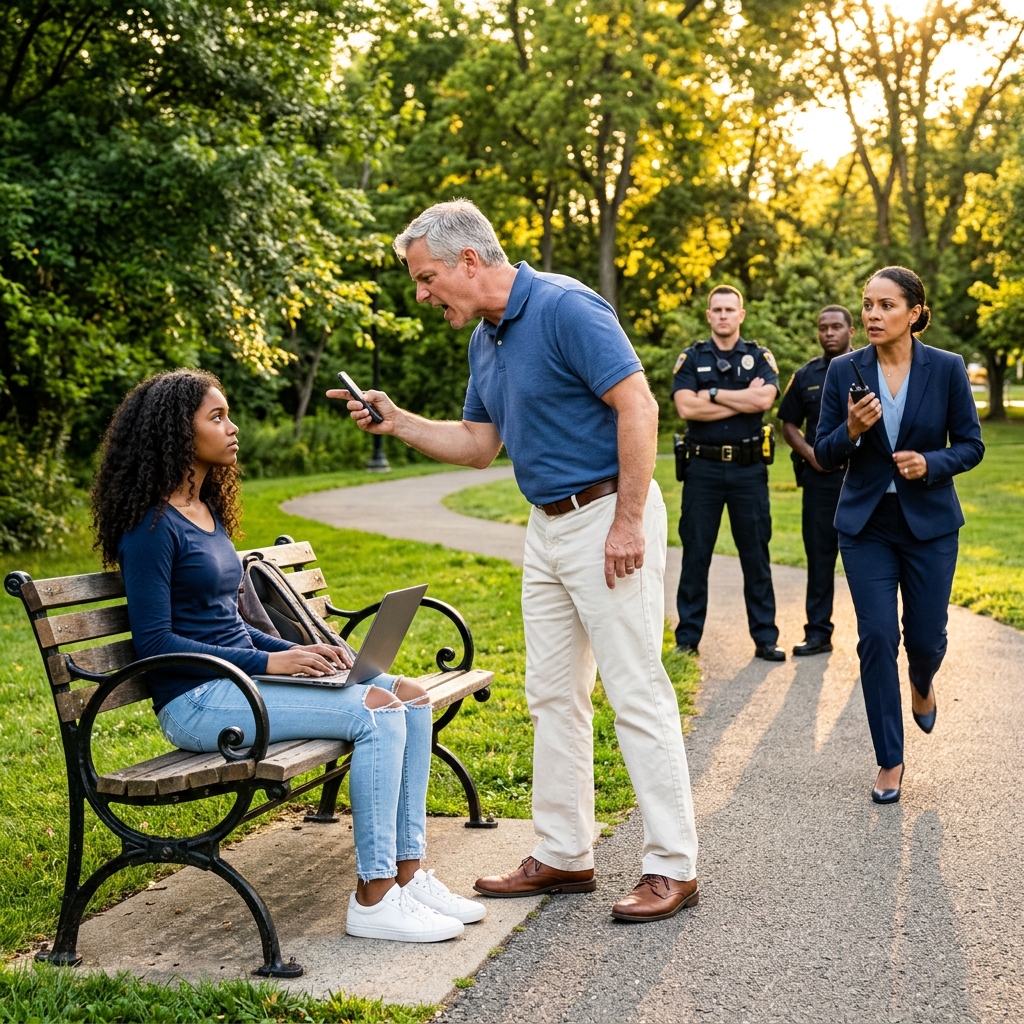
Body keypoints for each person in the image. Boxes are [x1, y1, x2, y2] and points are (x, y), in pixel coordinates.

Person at [328, 199, 699, 923]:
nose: (423, 292)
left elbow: (640, 407)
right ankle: (565, 853)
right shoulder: (485, 341)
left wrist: (627, 520)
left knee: (635, 691)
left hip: (605, 516)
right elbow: (477, 445)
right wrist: (396, 419)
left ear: (469, 260)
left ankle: (672, 865)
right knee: (553, 694)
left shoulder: (566, 308)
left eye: (427, 276)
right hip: (547, 527)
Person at [90, 369, 486, 942]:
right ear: (178, 432)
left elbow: (231, 627)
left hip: (236, 684)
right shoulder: (152, 528)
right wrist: (272, 665)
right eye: (217, 417)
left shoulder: (208, 513)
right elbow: (155, 644)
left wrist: (302, 649)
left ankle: (406, 874)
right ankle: (373, 901)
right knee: (373, 710)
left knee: (410, 695)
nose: (233, 429)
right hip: (196, 701)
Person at [814, 267, 984, 803]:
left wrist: (931, 463)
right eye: (867, 305)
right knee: (877, 637)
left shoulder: (947, 368)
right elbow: (823, 452)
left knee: (926, 638)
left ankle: (924, 680)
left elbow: (973, 445)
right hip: (866, 527)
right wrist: (854, 431)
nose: (871, 315)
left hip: (930, 526)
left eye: (885, 306)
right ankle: (890, 760)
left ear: (913, 313)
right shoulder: (844, 371)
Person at [671, 285, 786, 661]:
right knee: (695, 555)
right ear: (708, 315)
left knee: (756, 554)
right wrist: (741, 401)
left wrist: (714, 395)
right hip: (702, 469)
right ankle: (687, 640)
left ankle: (765, 638)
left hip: (748, 470)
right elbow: (687, 408)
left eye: (729, 309)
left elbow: (765, 400)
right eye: (716, 309)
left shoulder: (758, 357)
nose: (723, 315)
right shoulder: (692, 358)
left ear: (741, 315)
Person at [778, 305, 855, 656]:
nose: (829, 333)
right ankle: (818, 633)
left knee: (871, 561)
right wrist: (813, 456)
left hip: (860, 481)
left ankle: (876, 637)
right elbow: (789, 423)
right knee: (820, 559)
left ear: (850, 331)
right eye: (823, 327)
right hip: (820, 483)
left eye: (836, 326)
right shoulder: (805, 374)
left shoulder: (869, 368)